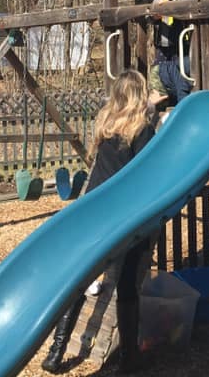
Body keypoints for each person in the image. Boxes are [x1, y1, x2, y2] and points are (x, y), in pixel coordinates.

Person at [42, 70, 165, 374]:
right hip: (126, 213)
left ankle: (55, 353)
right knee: (127, 284)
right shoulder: (142, 129)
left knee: (82, 279)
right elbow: (147, 172)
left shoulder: (105, 123)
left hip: (96, 208)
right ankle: (129, 357)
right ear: (139, 95)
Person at [148, 0, 194, 104]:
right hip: (162, 43)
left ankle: (181, 98)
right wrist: (154, 15)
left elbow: (187, 4)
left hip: (179, 41)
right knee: (157, 70)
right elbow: (151, 11)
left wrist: (169, 6)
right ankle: (161, 95)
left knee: (179, 71)